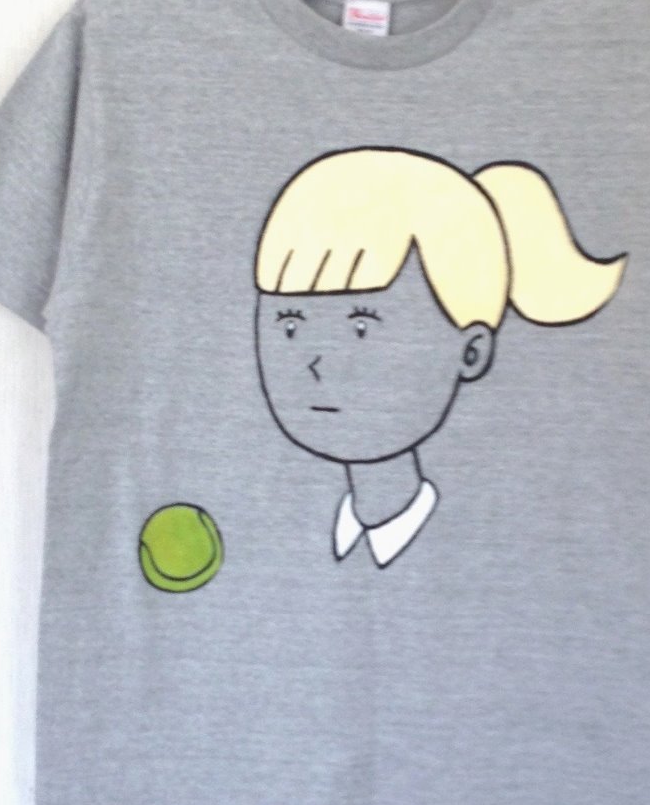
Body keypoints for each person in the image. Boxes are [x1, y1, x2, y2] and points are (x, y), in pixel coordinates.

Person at [253, 144, 628, 568]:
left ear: (471, 351)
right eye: (290, 324)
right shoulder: (263, 541)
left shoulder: (513, 546)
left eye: (361, 327)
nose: (314, 361)